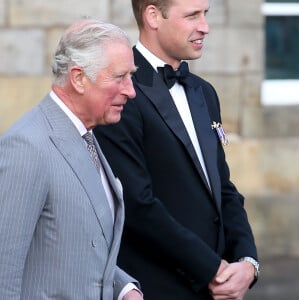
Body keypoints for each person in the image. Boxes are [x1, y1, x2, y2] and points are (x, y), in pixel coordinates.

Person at [93, 0, 259, 299]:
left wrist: (247, 262)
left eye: (205, 14)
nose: (205, 27)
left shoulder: (204, 91)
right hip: (157, 288)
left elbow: (223, 188)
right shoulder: (120, 92)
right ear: (153, 16)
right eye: (192, 15)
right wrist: (213, 270)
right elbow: (136, 205)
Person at [0, 18, 143, 300]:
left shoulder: (86, 136)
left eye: (131, 76)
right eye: (119, 77)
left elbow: (80, 246)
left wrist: (124, 288)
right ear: (78, 78)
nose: (131, 90)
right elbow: (4, 275)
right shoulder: (27, 147)